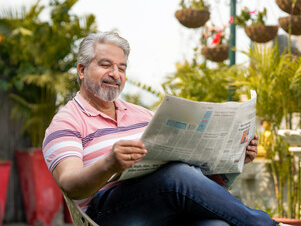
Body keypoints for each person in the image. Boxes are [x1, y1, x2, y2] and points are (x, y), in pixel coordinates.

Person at [42, 31, 283, 226]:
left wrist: (237, 156)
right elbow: (70, 183)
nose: (115, 74)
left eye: (122, 68)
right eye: (106, 65)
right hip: (106, 214)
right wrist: (110, 164)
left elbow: (191, 182)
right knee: (177, 173)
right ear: (82, 70)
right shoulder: (66, 121)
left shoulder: (143, 115)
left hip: (165, 208)